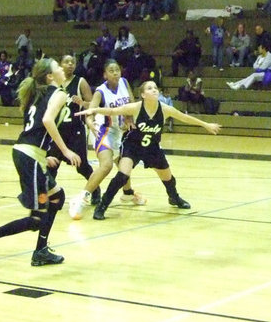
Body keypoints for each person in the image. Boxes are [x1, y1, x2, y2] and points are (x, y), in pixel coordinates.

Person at [0, 58, 82, 268]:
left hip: (28, 153)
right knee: (36, 219)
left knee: (57, 197)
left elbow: (33, 128)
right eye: (57, 66)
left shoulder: (39, 94)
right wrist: (65, 150)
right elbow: (47, 121)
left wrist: (42, 154)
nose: (62, 68)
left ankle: (41, 250)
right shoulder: (58, 93)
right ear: (50, 76)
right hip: (29, 156)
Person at [77, 80, 221, 220]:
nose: (154, 90)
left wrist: (205, 125)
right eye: (150, 88)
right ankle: (102, 207)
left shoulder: (165, 109)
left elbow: (184, 117)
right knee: (122, 175)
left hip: (152, 147)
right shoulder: (136, 107)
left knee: (168, 178)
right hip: (133, 145)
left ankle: (174, 198)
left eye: (155, 88)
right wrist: (94, 110)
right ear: (143, 94)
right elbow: (113, 111)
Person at [68, 60, 142, 220]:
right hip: (103, 132)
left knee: (124, 166)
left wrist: (129, 118)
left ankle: (128, 193)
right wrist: (89, 123)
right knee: (107, 165)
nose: (115, 72)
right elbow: (90, 112)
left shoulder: (124, 82)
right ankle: (80, 199)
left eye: (117, 69)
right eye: (111, 70)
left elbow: (130, 102)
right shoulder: (100, 92)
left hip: (120, 133)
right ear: (105, 75)